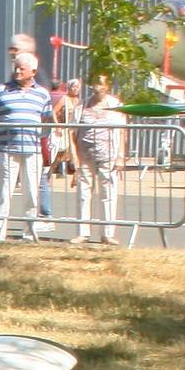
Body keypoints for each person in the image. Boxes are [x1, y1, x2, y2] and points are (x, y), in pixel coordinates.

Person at [0, 51, 54, 241]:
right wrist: (1, 135)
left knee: (31, 192)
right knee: (4, 192)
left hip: (32, 150)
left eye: (21, 68)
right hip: (6, 150)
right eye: (15, 67)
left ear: (33, 71)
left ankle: (29, 232)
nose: (17, 71)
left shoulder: (42, 93)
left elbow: (47, 119)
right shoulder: (1, 90)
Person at [73, 75, 122, 244]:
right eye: (94, 83)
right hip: (85, 156)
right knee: (83, 193)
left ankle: (107, 233)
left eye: (100, 83)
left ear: (107, 86)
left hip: (108, 155)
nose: (96, 87)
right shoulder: (82, 105)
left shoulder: (116, 106)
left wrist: (120, 156)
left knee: (108, 193)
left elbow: (123, 131)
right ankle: (82, 232)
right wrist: (75, 158)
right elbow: (74, 132)